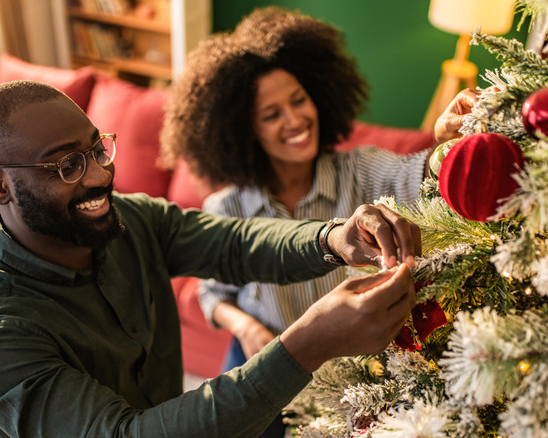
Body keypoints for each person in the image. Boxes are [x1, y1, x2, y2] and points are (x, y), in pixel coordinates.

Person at [0, 79, 423, 437]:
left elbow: (233, 243)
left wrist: (332, 238)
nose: (98, 177)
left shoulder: (131, 219)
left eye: (97, 149)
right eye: (67, 165)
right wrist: (306, 345)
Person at [159, 6, 434, 398]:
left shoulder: (357, 169)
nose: (294, 121)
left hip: (345, 367)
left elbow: (412, 174)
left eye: (299, 100)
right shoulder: (226, 207)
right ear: (246, 129)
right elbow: (213, 295)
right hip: (262, 353)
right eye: (271, 114)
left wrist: (442, 153)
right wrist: (247, 328)